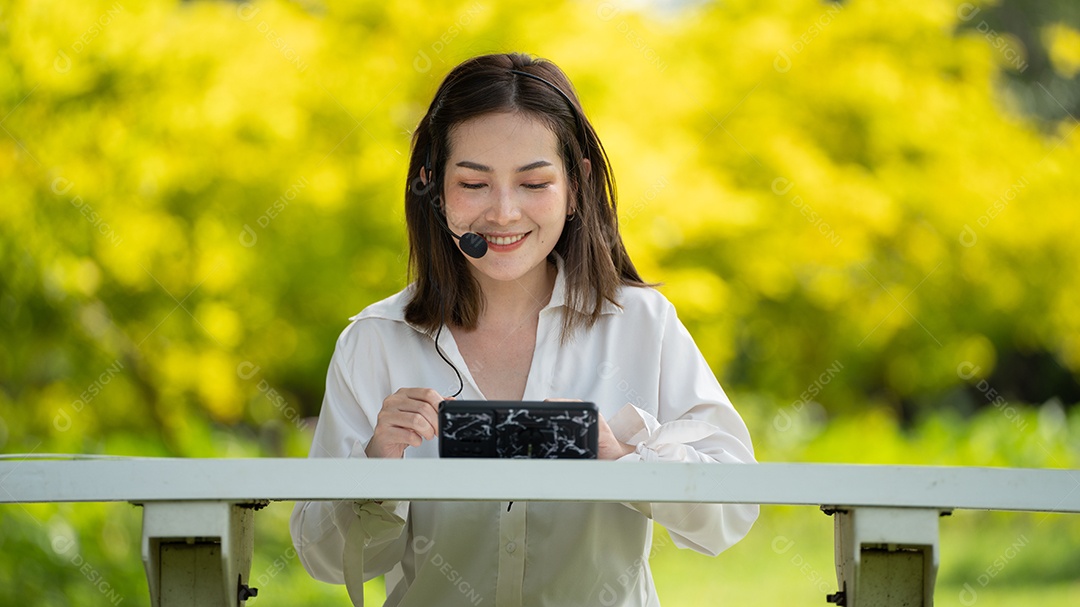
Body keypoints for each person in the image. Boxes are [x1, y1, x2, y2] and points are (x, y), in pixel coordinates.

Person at [290, 52, 758, 607]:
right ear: (433, 187)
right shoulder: (375, 341)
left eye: (534, 183)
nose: (505, 213)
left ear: (576, 184)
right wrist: (374, 470)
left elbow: (731, 511)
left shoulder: (642, 325)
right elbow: (324, 560)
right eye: (474, 183)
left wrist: (624, 459)